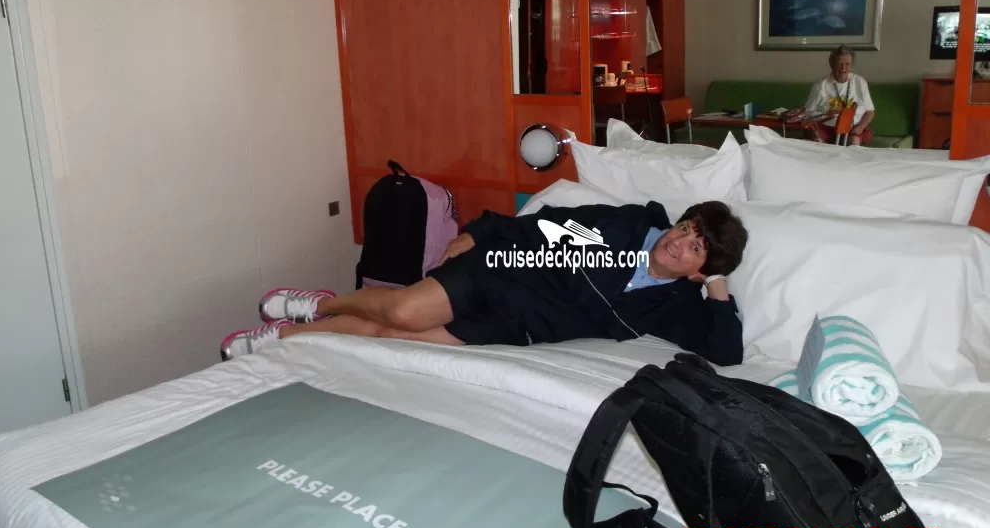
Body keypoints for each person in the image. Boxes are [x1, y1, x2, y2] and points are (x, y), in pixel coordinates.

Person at [220, 200, 749, 367]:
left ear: (699, 270)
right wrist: (480, 231)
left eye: (696, 247)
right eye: (686, 228)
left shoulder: (674, 303)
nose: (680, 241)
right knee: (403, 311)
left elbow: (727, 354)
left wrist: (717, 285)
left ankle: (286, 336)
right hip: (500, 270)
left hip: (515, 327)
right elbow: (547, 222)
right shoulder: (625, 226)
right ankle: (322, 304)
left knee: (395, 336)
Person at [805, 45, 876, 146]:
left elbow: (870, 112)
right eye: (840, 64)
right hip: (828, 128)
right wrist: (825, 115)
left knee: (854, 141)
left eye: (847, 64)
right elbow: (808, 113)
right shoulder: (820, 86)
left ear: (852, 66)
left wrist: (860, 127)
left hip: (853, 128)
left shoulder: (860, 83)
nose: (843, 68)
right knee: (816, 140)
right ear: (832, 65)